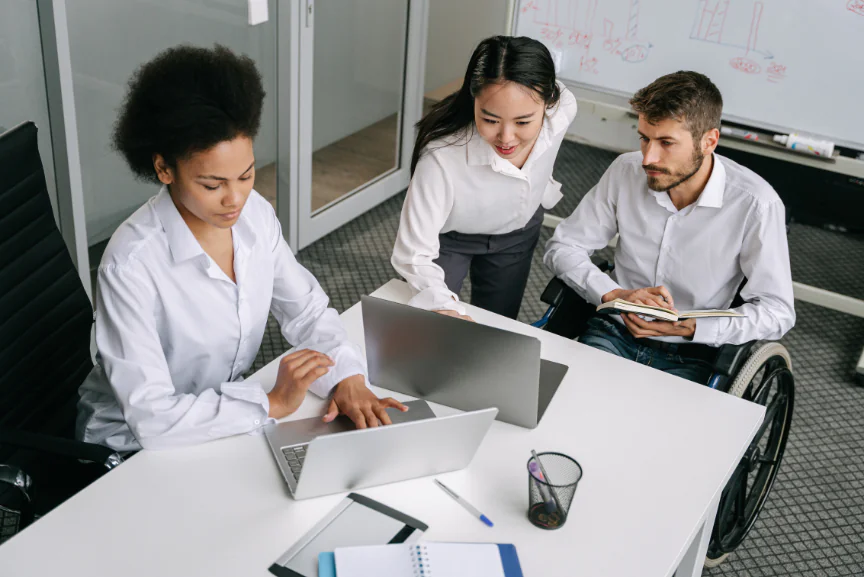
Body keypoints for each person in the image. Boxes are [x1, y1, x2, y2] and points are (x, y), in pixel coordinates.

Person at [76, 45, 405, 452]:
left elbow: (306, 312)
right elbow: (152, 418)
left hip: (223, 417)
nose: (234, 199)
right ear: (164, 169)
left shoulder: (255, 217)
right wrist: (270, 403)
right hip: (130, 448)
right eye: (213, 185)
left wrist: (347, 377)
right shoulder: (131, 264)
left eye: (246, 175)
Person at [544, 71, 795, 384]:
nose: (648, 157)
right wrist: (613, 294)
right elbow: (564, 246)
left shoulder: (756, 205)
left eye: (666, 143)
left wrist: (690, 327)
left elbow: (777, 311)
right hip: (615, 328)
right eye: (644, 138)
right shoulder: (626, 170)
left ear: (709, 141)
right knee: (573, 406)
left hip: (694, 351)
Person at [391, 35, 578, 320]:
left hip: (517, 233)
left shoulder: (563, 109)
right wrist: (446, 307)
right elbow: (413, 253)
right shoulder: (442, 157)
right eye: (490, 119)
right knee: (432, 323)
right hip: (450, 239)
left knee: (498, 325)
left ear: (548, 103)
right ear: (473, 99)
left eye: (523, 122)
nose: (506, 138)